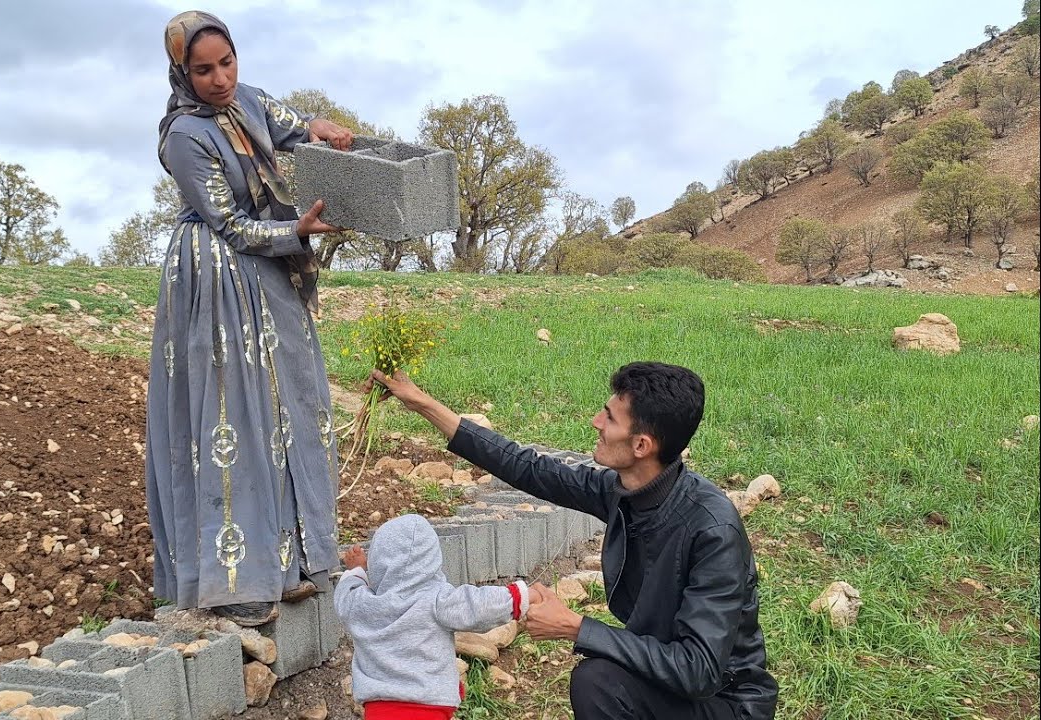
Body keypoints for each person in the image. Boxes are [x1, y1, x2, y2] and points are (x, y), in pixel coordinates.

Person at [370, 363, 779, 720]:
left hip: (725, 702)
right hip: (672, 684)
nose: (595, 423)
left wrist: (576, 627)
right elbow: (528, 467)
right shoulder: (623, 490)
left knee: (598, 681)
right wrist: (423, 404)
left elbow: (699, 669)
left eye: (610, 418)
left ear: (641, 445)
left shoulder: (712, 530)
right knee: (599, 680)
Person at [145, 10, 355, 627]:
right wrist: (298, 229)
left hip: (269, 275)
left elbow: (295, 126)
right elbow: (230, 224)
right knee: (234, 415)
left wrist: (324, 128)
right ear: (182, 72)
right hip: (217, 280)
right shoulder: (185, 134)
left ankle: (290, 562)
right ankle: (235, 578)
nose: (219, 79)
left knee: (289, 406)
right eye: (203, 69)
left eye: (227, 62)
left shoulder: (252, 103)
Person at [335, 514, 541, 719]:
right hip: (429, 707)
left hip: (380, 710)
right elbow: (477, 605)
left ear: (378, 562)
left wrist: (356, 571)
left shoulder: (363, 604)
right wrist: (519, 597)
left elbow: (345, 596)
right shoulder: (437, 598)